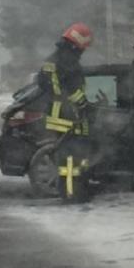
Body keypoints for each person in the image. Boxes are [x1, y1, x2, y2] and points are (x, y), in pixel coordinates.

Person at [37, 23, 94, 200]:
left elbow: (44, 85)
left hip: (57, 114)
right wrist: (83, 104)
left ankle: (74, 190)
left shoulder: (53, 59)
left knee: (69, 156)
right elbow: (72, 90)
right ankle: (72, 194)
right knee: (71, 159)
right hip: (67, 115)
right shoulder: (69, 61)